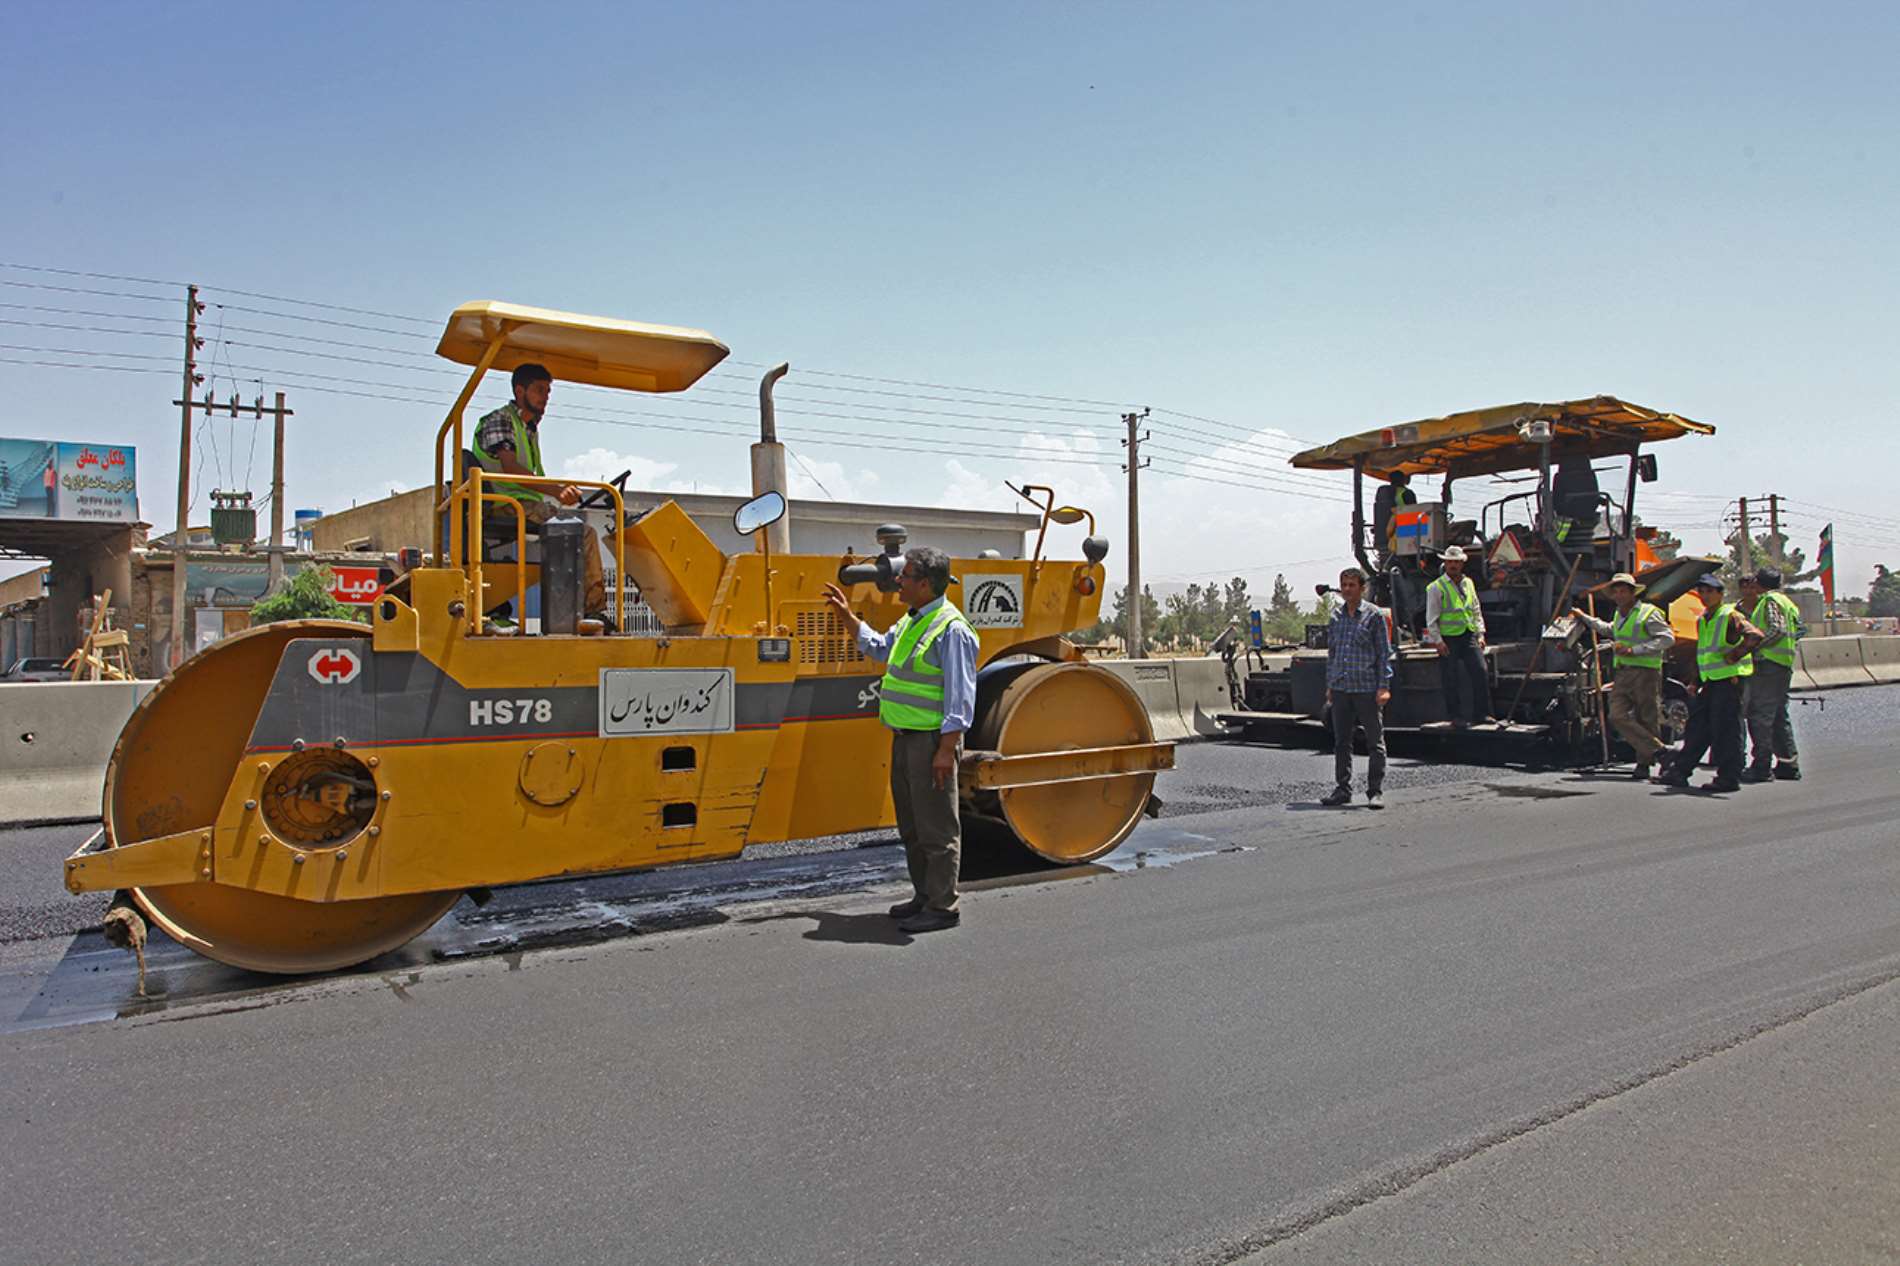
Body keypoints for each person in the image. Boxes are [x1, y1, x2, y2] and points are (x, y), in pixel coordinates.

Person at [822, 547, 978, 934]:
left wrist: (946, 751)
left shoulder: (951, 629)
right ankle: (924, 895)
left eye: (905, 576)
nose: (898, 581)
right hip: (907, 739)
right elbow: (879, 647)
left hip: (931, 743)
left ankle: (943, 907)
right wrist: (847, 617)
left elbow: (960, 698)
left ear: (924, 584)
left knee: (938, 829)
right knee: (912, 827)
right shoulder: (912, 621)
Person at [472, 363, 609, 619]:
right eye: (539, 390)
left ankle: (570, 614)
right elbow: (510, 468)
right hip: (508, 503)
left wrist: (559, 493)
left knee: (572, 532)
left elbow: (532, 475)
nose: (545, 397)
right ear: (519, 390)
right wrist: (558, 491)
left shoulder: (528, 429)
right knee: (584, 534)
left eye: (548, 391)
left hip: (524, 503)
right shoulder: (500, 420)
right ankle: (593, 613)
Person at [1655, 574, 1763, 792]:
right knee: (1698, 727)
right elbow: (1702, 653)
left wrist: (1735, 655)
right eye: (1702, 592)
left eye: (1710, 592)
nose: (1705, 596)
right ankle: (1680, 771)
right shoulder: (1704, 618)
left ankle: (1728, 777)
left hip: (1729, 681)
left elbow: (1755, 635)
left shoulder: (1729, 615)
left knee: (1725, 730)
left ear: (1720, 594)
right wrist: (1695, 680)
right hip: (1711, 681)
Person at [1570, 572, 1675, 779]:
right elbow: (1609, 630)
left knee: (1647, 717)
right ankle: (1660, 751)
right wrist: (1584, 617)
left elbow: (1667, 639)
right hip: (1624, 672)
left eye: (1623, 591)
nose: (1619, 595)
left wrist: (1635, 650)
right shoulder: (1619, 614)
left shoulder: (1648, 612)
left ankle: (1644, 764)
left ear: (1632, 593)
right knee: (1616, 716)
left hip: (1646, 671)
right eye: (1616, 591)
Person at [1319, 567, 1392, 810]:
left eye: (1352, 585)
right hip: (1341, 689)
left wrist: (1383, 686)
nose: (1347, 589)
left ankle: (1375, 791)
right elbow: (1333, 654)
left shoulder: (1373, 616)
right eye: (1344, 585)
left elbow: (1384, 654)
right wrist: (1331, 684)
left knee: (1374, 742)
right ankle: (1343, 789)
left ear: (1363, 588)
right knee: (1341, 742)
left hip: (1367, 689)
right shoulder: (1336, 616)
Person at [1740, 567, 1803, 782]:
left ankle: (1761, 767)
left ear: (1758, 583)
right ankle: (1788, 764)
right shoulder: (1788, 603)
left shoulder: (1769, 601)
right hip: (1782, 665)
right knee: (1777, 716)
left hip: (1768, 665)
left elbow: (1777, 629)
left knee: (1759, 716)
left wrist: (1754, 646)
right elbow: (1798, 630)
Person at [1425, 545, 1495, 728]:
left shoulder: (1468, 583)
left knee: (1480, 670)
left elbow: (1475, 609)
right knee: (1450, 677)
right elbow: (1431, 617)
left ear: (1462, 564)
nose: (1453, 565)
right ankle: (1455, 716)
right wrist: (1437, 641)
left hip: (1468, 634)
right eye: (1450, 562)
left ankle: (1482, 714)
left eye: (1456, 562)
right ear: (1445, 563)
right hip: (1449, 638)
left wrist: (1480, 633)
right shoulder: (1436, 587)